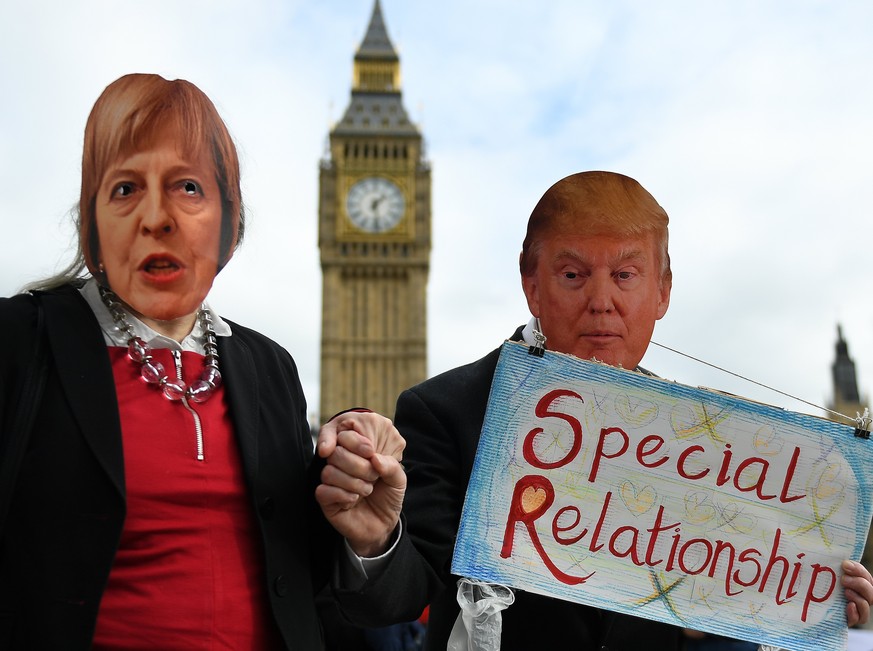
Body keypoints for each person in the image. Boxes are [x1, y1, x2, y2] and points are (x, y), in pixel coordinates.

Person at [332, 171, 873, 650]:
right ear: (531, 286)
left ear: (662, 292)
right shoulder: (444, 410)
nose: (601, 301)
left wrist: (820, 607)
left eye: (625, 276)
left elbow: (712, 608)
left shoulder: (707, 445)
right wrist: (373, 541)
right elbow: (397, 599)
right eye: (572, 275)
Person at [0, 73, 404, 650]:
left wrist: (364, 539)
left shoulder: (270, 369)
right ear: (92, 219)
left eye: (188, 188)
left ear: (229, 223)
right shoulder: (21, 344)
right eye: (124, 188)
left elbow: (310, 584)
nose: (157, 217)